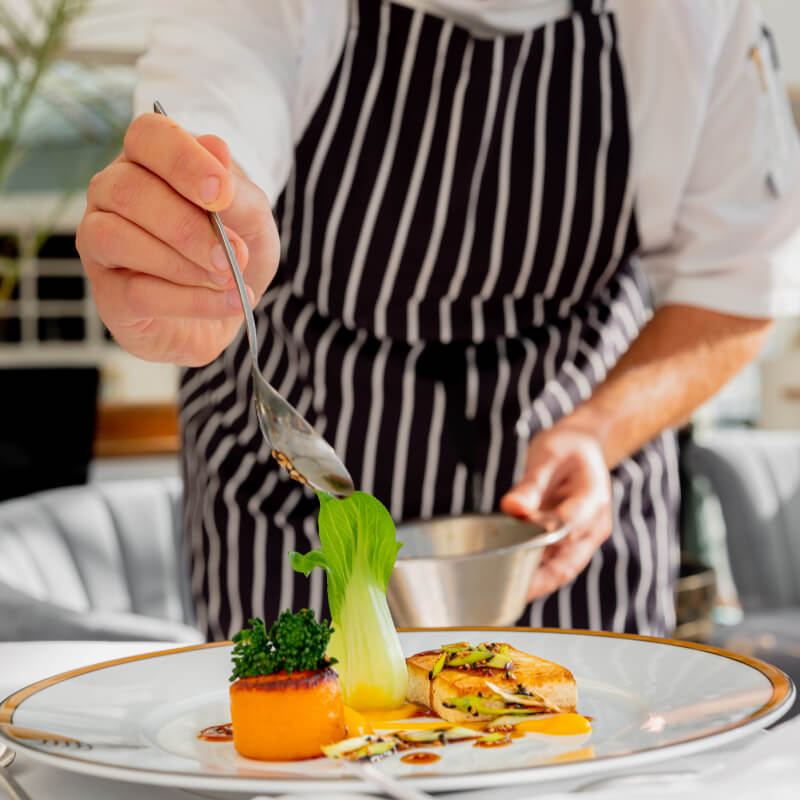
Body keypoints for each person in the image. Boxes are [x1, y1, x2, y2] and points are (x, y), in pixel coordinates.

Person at [76, 0, 800, 642]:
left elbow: (737, 287)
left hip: (566, 508)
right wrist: (181, 242)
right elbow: (210, 118)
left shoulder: (692, 16)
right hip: (297, 484)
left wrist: (600, 430)